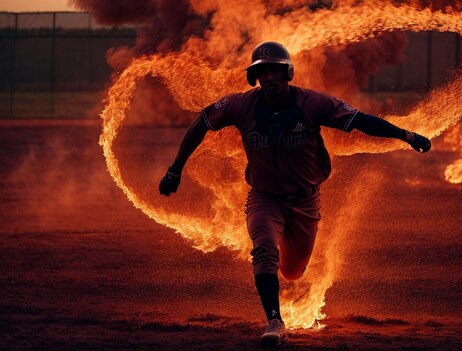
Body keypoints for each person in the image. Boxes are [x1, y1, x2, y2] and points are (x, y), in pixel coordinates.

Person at [159, 41, 431, 346]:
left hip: (305, 201)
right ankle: (274, 322)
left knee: (292, 270)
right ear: (255, 77)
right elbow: (202, 122)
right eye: (263, 72)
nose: (269, 77)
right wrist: (175, 168)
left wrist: (404, 135)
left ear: (287, 73)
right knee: (263, 248)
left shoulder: (312, 104)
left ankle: (287, 280)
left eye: (275, 70)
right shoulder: (240, 105)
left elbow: (361, 121)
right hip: (264, 197)